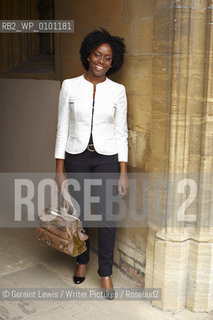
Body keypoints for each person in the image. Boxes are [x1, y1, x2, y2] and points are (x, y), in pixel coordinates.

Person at [54, 27, 129, 300]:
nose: (102, 61)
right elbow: (62, 128)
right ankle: (82, 260)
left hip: (107, 159)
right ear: (88, 55)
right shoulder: (69, 86)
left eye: (108, 58)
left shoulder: (118, 91)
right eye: (98, 54)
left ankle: (106, 272)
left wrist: (123, 172)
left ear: (113, 61)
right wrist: (59, 169)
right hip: (77, 157)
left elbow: (122, 132)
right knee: (79, 214)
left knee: (108, 217)